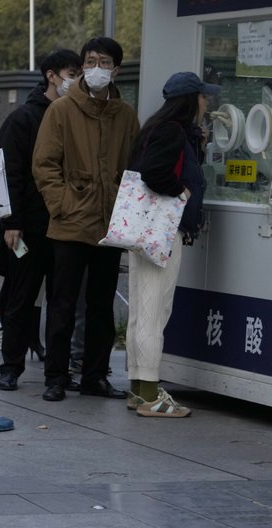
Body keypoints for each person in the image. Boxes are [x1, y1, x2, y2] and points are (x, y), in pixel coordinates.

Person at [33, 36, 140, 402]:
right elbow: (44, 165)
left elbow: (133, 167)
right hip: (70, 222)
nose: (97, 68)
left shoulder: (125, 115)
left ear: (116, 70)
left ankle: (95, 375)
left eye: (104, 62)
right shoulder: (61, 110)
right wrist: (63, 203)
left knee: (101, 305)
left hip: (110, 224)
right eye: (90, 61)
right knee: (63, 303)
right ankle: (56, 376)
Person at [125, 72, 215, 418]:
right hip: (160, 233)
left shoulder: (159, 127)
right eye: (203, 97)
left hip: (145, 232)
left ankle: (138, 390)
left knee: (142, 311)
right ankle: (150, 394)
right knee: (153, 311)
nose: (207, 103)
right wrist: (182, 192)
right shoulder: (171, 131)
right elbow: (155, 172)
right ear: (190, 100)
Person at [0, 49, 82, 391]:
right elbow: (10, 173)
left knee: (62, 303)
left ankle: (57, 373)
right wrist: (11, 222)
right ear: (51, 75)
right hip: (27, 226)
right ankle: (10, 367)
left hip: (66, 225)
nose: (76, 78)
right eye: (70, 71)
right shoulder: (24, 118)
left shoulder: (77, 115)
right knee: (20, 298)